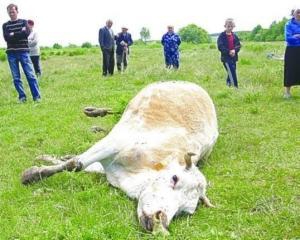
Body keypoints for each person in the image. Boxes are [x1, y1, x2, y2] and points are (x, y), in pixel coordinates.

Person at [2, 4, 41, 103]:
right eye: (9, 12)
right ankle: (22, 97)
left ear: (17, 12)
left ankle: (36, 97)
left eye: (13, 11)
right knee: (16, 78)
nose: (11, 13)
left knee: (31, 75)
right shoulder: (5, 25)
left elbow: (26, 33)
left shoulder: (24, 22)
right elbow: (7, 38)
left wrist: (13, 34)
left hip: (23, 52)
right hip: (11, 54)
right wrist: (19, 33)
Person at [217, 18, 241, 88]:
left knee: (231, 71)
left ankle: (228, 84)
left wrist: (234, 50)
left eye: (231, 26)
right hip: (226, 58)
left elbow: (238, 45)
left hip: (234, 57)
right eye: (228, 26)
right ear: (225, 26)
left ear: (233, 26)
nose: (230, 28)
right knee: (232, 72)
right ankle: (236, 87)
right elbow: (220, 46)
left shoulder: (234, 36)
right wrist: (228, 51)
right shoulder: (222, 36)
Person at [283, 7, 300, 98]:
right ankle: (287, 92)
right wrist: (297, 36)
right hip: (292, 49)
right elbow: (288, 38)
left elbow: (292, 36)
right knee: (290, 70)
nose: (299, 14)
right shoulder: (288, 24)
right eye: (298, 12)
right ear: (293, 14)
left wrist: (296, 35)